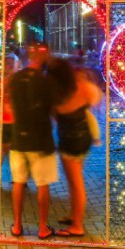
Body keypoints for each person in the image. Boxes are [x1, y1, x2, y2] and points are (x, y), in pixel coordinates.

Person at [45, 57, 102, 238]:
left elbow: (53, 118)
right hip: (83, 138)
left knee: (76, 184)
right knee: (75, 182)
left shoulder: (56, 96)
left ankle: (77, 225)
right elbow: (96, 100)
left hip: (69, 142)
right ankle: (74, 215)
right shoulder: (83, 88)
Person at [8, 42, 60, 239]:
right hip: (40, 140)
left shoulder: (16, 79)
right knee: (42, 183)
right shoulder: (46, 82)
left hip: (18, 139)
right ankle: (43, 227)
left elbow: (11, 105)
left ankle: (17, 226)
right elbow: (53, 111)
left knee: (18, 183)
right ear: (44, 56)